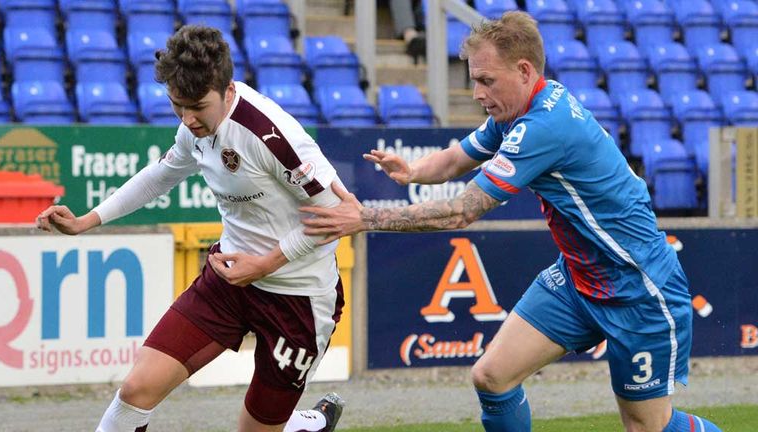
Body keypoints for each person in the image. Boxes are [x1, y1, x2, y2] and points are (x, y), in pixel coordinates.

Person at [300, 11, 722, 432]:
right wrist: (412, 170)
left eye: (486, 80)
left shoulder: (542, 126)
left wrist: (365, 217)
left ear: (523, 71)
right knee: (492, 377)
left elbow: (462, 211)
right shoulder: (522, 109)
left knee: (648, 427)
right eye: (474, 79)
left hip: (639, 289)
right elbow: (455, 158)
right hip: (579, 280)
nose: (477, 92)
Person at [36, 25, 346, 432]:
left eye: (197, 106)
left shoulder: (270, 135)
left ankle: (304, 425)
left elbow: (339, 214)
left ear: (227, 89)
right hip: (228, 280)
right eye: (177, 105)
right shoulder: (192, 125)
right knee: (136, 390)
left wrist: (266, 264)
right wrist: (86, 221)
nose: (187, 119)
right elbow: (160, 175)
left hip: (298, 296)